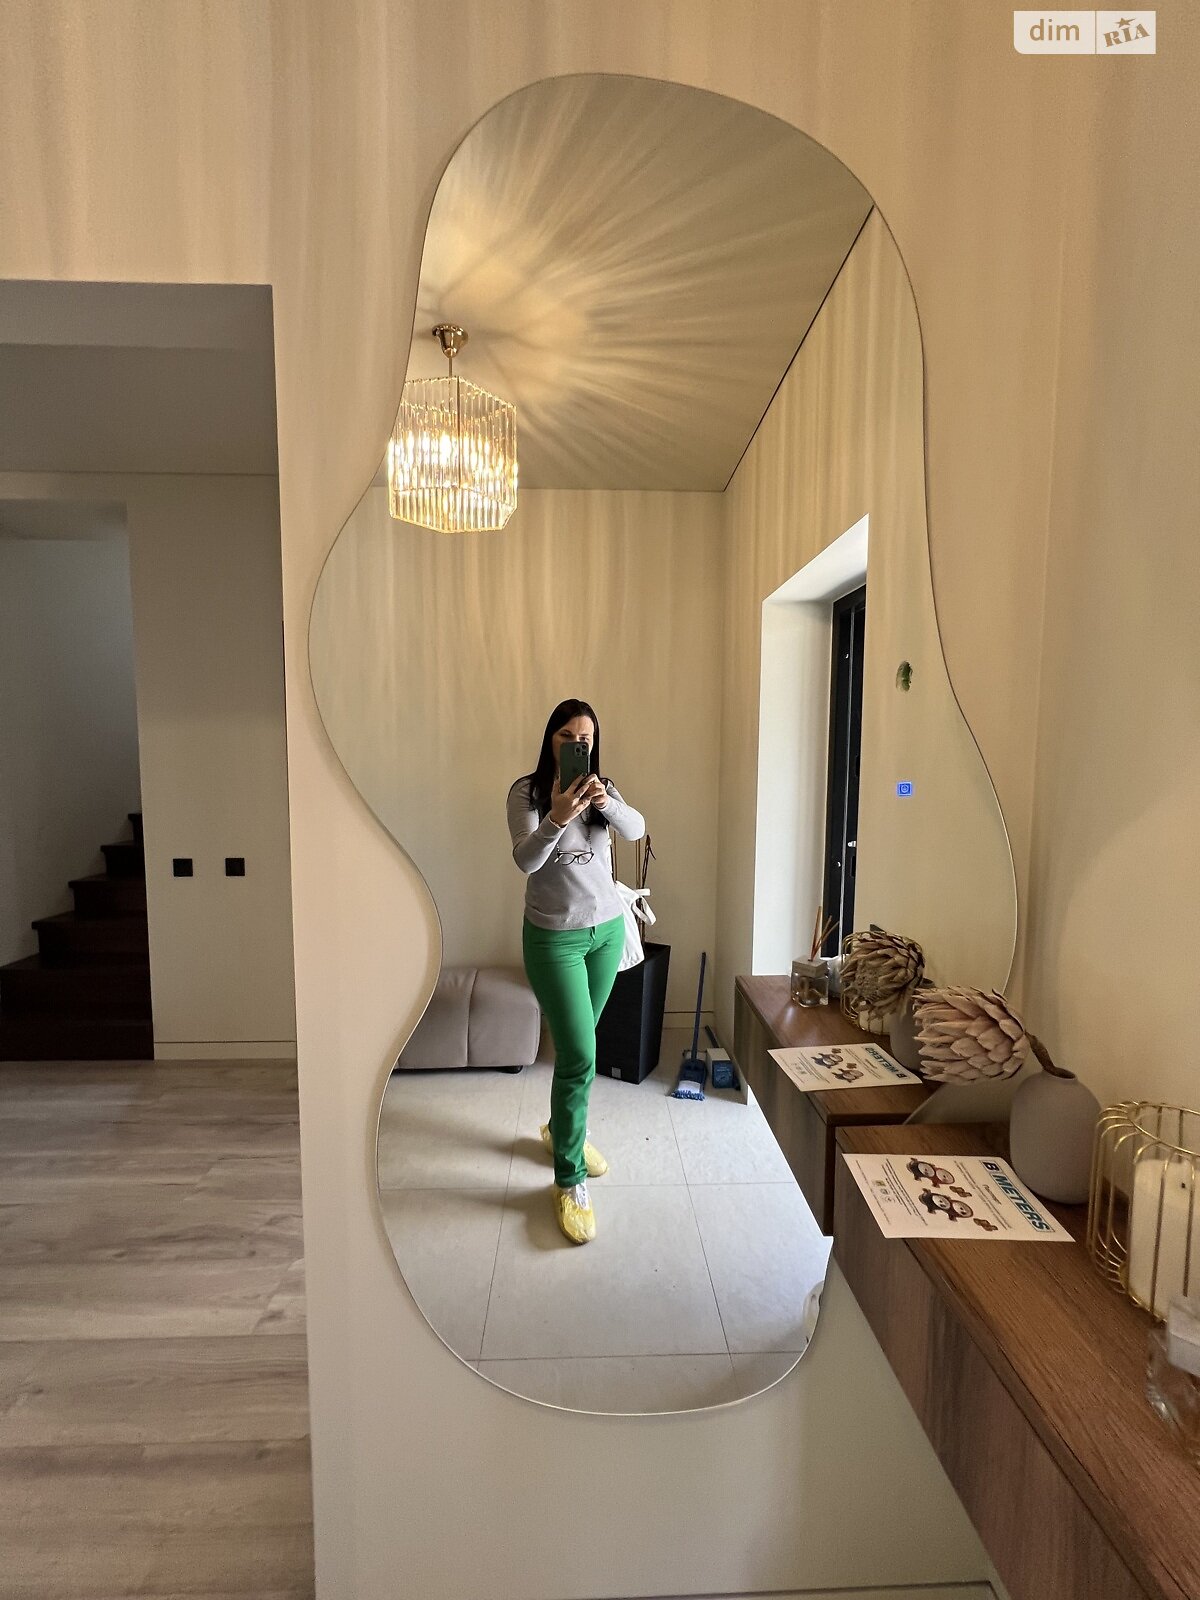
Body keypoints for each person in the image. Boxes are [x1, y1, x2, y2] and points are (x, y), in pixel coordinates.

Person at [506, 698, 646, 1244]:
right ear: (551, 739)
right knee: (581, 1054)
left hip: (605, 934)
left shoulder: (602, 790)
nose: (576, 745)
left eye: (585, 738)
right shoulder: (527, 793)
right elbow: (526, 860)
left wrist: (604, 802)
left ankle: (562, 1129)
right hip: (554, 941)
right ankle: (569, 1179)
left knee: (577, 1050)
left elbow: (636, 829)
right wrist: (558, 817)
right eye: (567, 736)